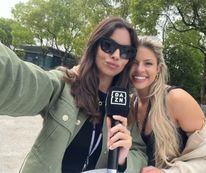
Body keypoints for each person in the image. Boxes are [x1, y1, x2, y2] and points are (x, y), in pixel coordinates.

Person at [0, 16, 147, 173]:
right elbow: (22, 80)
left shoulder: (124, 106)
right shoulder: (65, 85)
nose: (116, 55)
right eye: (108, 45)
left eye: (126, 52)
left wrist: (123, 159)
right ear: (95, 46)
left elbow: (139, 152)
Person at [129, 37, 206, 173]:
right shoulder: (128, 104)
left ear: (158, 68)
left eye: (148, 63)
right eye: (134, 62)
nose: (140, 69)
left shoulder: (175, 99)